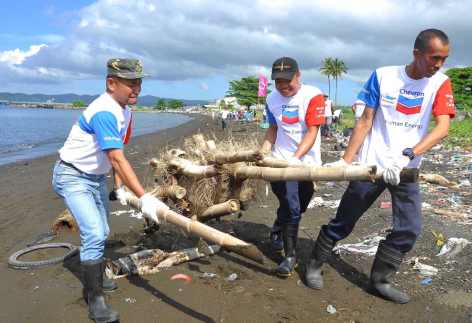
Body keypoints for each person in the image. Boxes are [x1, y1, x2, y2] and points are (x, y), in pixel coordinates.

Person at [306, 29, 455, 304]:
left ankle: (380, 280)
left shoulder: (441, 83)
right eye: (434, 58)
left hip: (405, 170)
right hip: (371, 168)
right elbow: (365, 121)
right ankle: (314, 263)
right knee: (344, 221)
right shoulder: (384, 75)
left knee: (409, 229)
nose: (439, 65)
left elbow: (442, 127)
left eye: (444, 59)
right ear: (417, 53)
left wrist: (408, 155)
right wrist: (345, 160)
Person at [52, 58, 169, 322]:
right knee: (94, 233)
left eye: (139, 83)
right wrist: (145, 198)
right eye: (130, 84)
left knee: (103, 231)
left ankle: (95, 279)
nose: (136, 89)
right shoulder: (105, 111)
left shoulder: (125, 110)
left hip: (94, 178)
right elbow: (117, 159)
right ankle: (95, 301)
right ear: (111, 83)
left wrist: (118, 186)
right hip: (71, 176)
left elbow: (118, 154)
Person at [262, 57, 325, 277]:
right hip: (280, 162)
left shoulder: (313, 95)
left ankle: (278, 228)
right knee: (291, 205)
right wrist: (262, 152)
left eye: (287, 79)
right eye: (278, 81)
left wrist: (296, 159)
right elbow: (272, 128)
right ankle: (290, 258)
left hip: (306, 162)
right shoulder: (271, 99)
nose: (283, 85)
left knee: (303, 200)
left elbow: (312, 131)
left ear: (298, 75)